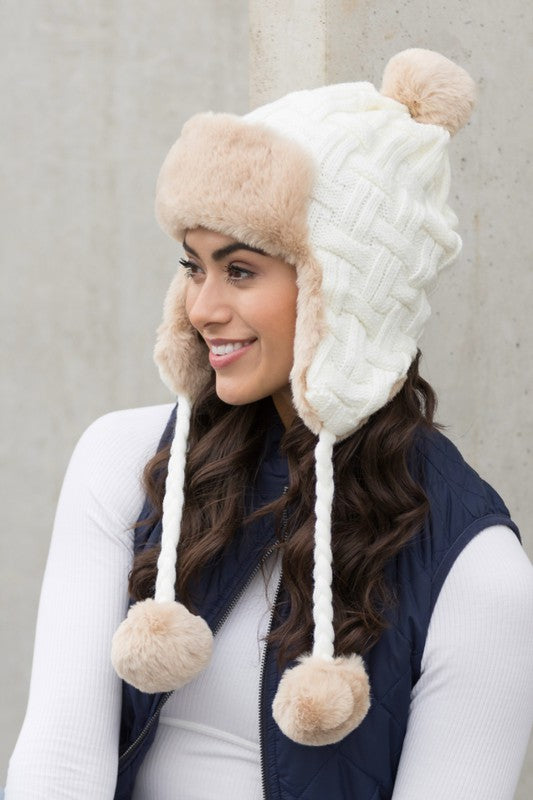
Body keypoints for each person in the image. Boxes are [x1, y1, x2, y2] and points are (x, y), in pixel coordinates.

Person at [5, 48, 533, 800]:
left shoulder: (476, 571)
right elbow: (57, 766)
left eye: (240, 270)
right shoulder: (125, 464)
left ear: (341, 290)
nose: (202, 308)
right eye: (193, 265)